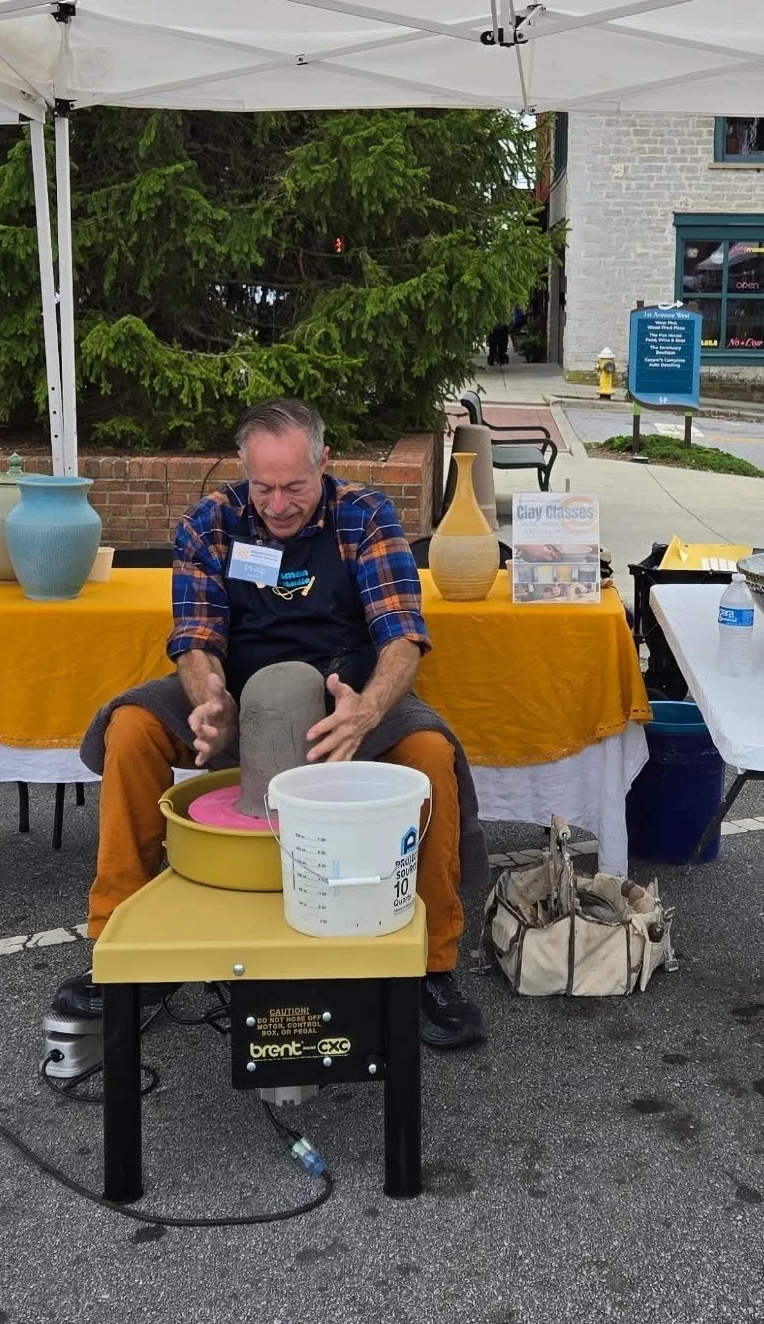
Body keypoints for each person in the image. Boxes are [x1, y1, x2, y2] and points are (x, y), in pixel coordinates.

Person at [51, 397, 488, 1050]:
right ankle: (121, 947)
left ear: (325, 463)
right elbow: (195, 635)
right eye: (264, 487)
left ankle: (431, 965)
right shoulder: (212, 522)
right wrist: (207, 696)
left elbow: (402, 636)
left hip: (347, 699)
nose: (279, 505)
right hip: (235, 695)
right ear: (243, 472)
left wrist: (368, 706)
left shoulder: (364, 517)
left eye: (295, 487)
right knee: (132, 728)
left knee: (429, 753)